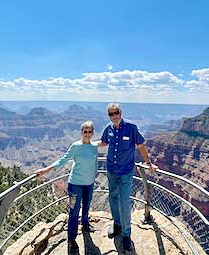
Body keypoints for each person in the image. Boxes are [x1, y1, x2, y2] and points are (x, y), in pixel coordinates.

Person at [34, 120, 98, 252]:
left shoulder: (94, 146)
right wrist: (45, 170)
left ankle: (85, 224)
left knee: (86, 206)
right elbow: (63, 160)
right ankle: (71, 239)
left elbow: (94, 163)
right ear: (81, 132)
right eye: (84, 131)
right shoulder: (76, 146)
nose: (87, 134)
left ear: (92, 133)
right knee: (74, 212)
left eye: (89, 131)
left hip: (89, 184)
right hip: (75, 184)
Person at [100, 103, 156, 252]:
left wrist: (148, 163)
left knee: (125, 202)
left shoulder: (131, 127)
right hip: (111, 169)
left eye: (116, 113)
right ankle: (117, 224)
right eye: (111, 114)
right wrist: (86, 145)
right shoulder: (109, 128)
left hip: (125, 171)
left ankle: (126, 235)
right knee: (112, 197)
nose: (114, 116)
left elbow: (141, 145)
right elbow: (104, 142)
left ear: (120, 112)